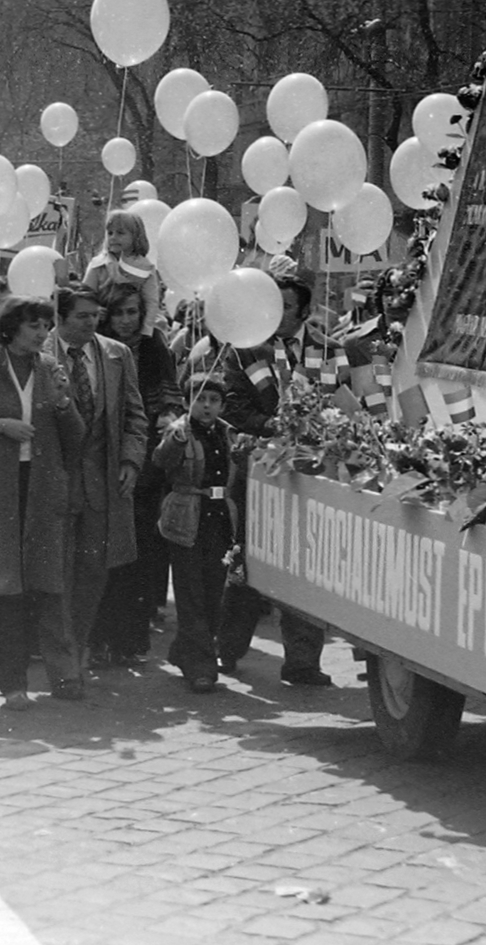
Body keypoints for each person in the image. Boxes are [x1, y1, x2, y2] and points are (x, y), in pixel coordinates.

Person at [0, 296, 84, 710]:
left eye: (46, 326)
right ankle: (13, 684)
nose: (43, 334)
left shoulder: (50, 368)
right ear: (12, 328)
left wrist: (62, 403)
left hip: (42, 488)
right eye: (34, 326)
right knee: (5, 589)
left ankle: (64, 675)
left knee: (48, 585)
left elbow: (75, 439)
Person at [216, 273, 332, 686]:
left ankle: (303, 662)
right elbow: (232, 407)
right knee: (248, 560)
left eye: (284, 306)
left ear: (305, 311)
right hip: (258, 474)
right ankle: (226, 650)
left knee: (308, 564)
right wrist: (274, 426)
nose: (274, 313)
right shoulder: (245, 349)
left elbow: (343, 404)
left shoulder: (330, 351)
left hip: (310, 475)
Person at [45, 285, 147, 699]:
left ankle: (78, 648)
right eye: (83, 316)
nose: (93, 322)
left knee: (91, 574)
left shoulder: (116, 355)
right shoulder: (40, 355)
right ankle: (62, 662)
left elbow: (135, 416)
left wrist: (130, 460)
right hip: (54, 485)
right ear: (61, 317)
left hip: (102, 485)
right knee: (56, 575)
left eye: (95, 315)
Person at [89, 282, 184, 665]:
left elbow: (168, 392)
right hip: (100, 455)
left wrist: (167, 416)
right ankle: (95, 639)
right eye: (119, 312)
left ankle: (128, 640)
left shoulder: (154, 344)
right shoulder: (95, 348)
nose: (126, 320)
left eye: (133, 312)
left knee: (139, 552)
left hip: (142, 457)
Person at [154, 373, 238, 693]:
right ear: (188, 402)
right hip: (187, 517)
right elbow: (161, 460)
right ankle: (200, 666)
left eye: (213, 400)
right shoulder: (180, 431)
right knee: (190, 594)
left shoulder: (228, 434)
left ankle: (184, 651)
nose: (206, 406)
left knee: (213, 591)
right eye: (200, 399)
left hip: (219, 519)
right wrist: (172, 440)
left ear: (222, 405)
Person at [82, 210, 161, 338]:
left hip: (136, 328)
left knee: (156, 345)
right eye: (110, 233)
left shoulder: (144, 267)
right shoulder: (98, 264)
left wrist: (146, 330)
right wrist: (94, 308)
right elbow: (86, 294)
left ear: (136, 237)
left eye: (120, 233)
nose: (113, 237)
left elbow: (151, 301)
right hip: (103, 325)